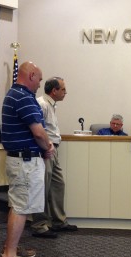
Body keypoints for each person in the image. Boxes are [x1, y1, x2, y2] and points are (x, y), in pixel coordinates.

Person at [0, 62, 54, 257]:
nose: (40, 84)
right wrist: (48, 148)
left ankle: (10, 247)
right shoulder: (22, 97)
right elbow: (39, 133)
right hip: (25, 162)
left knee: (17, 205)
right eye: (39, 79)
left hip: (21, 161)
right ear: (31, 76)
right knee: (21, 208)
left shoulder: (15, 94)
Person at [31, 77, 77, 238]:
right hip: (45, 150)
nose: (66, 92)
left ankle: (58, 222)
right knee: (42, 186)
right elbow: (35, 131)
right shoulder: (41, 104)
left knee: (58, 184)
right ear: (54, 91)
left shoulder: (51, 104)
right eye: (63, 89)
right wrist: (44, 149)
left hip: (53, 149)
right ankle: (39, 225)